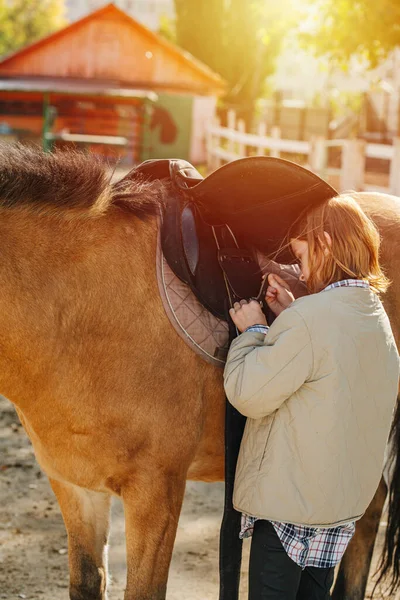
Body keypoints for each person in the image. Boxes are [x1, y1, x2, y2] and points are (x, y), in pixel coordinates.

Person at [223, 194, 400, 600]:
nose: (300, 270)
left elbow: (247, 394)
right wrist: (293, 314)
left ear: (325, 242)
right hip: (335, 518)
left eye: (302, 257)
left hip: (289, 515)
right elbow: (334, 368)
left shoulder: (311, 318)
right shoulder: (376, 318)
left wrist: (254, 330)